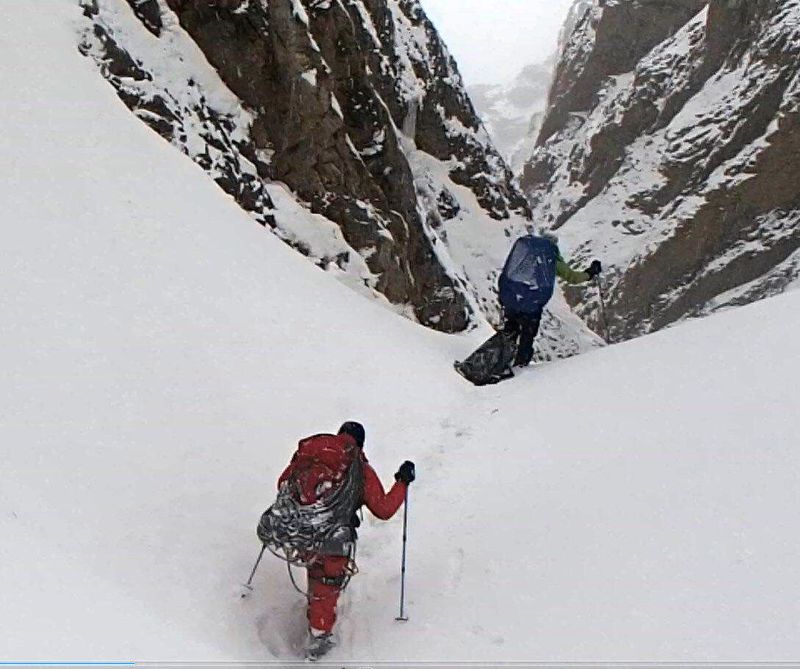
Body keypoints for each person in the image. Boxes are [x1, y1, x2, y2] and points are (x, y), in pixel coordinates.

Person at [275, 421, 415, 660]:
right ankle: (319, 641)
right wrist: (402, 482)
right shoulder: (358, 469)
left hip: (303, 532)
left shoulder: (312, 456)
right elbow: (383, 509)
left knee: (316, 573)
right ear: (360, 444)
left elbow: (282, 484)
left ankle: (316, 619)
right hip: (335, 539)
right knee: (326, 584)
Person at [499, 232, 601, 368]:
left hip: (513, 299)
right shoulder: (550, 258)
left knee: (510, 330)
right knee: (527, 335)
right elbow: (572, 277)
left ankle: (497, 360)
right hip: (531, 303)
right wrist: (590, 272)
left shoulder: (527, 255)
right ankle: (520, 366)